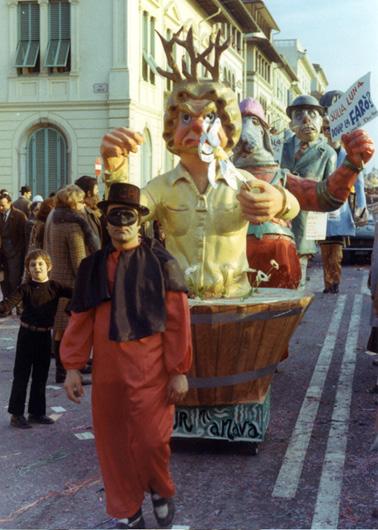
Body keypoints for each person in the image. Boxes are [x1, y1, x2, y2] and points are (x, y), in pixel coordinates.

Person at [61, 182, 192, 529]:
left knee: (152, 441)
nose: (121, 224)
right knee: (113, 446)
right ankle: (128, 509)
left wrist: (179, 369)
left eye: (128, 216)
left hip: (151, 373)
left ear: (140, 221)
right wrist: (73, 367)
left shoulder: (163, 263)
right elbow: (80, 319)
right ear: (105, 221)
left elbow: (178, 320)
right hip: (108, 375)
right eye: (114, 217)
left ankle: (160, 489)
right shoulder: (92, 266)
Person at [0, 249, 72, 429]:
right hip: (26, 336)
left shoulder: (56, 287)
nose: (37, 267)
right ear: (28, 269)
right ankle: (16, 415)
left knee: (41, 375)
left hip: (44, 336)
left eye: (40, 264)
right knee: (21, 375)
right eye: (33, 265)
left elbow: (79, 294)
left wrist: (70, 308)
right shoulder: (25, 288)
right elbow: (7, 306)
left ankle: (36, 413)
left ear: (49, 266)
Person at [234, 97, 301, 288]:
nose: (246, 131)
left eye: (254, 122)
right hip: (238, 251)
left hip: (279, 249)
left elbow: (321, 195)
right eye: (241, 123)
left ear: (262, 130)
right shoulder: (223, 174)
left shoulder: (281, 174)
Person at [44, 184, 100, 383]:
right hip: (70, 282)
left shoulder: (53, 216)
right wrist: (89, 281)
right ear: (71, 202)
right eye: (79, 201)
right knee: (71, 328)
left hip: (55, 277)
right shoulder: (72, 224)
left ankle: (62, 369)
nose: (82, 205)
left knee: (59, 328)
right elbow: (79, 261)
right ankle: (68, 370)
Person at [281, 95, 337, 286]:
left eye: (312, 114)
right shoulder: (281, 146)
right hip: (280, 212)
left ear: (321, 121)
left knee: (300, 263)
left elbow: (329, 189)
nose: (306, 119)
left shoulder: (327, 154)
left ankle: (297, 295)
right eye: (299, 115)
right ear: (291, 123)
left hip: (308, 217)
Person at [318, 91, 367, 293]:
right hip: (320, 207)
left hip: (339, 208)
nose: (329, 132)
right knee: (324, 251)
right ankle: (328, 282)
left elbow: (360, 181)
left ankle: (333, 282)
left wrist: (361, 208)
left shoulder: (348, 153)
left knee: (336, 252)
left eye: (332, 129)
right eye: (326, 129)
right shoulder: (318, 150)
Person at [0, 192, 27, 311]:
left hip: (15, 254)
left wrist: (18, 252)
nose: (0, 208)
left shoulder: (20, 216)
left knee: (14, 280)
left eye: (2, 205)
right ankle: (7, 307)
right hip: (1, 254)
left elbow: (24, 237)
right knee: (3, 280)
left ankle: (18, 306)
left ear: (10, 203)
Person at [74, 175, 105, 244]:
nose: (97, 196)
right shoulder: (83, 213)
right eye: (96, 192)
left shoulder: (93, 212)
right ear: (89, 193)